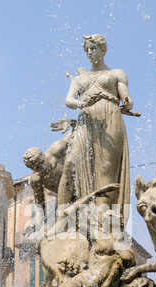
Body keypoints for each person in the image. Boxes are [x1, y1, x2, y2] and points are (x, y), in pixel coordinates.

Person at [57, 34, 133, 227]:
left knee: (107, 167)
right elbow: (69, 100)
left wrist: (127, 103)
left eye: (94, 48)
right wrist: (82, 102)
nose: (90, 53)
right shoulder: (80, 78)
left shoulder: (117, 73)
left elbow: (127, 97)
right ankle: (60, 216)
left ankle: (103, 216)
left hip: (110, 117)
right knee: (70, 163)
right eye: (87, 49)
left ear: (103, 49)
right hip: (86, 118)